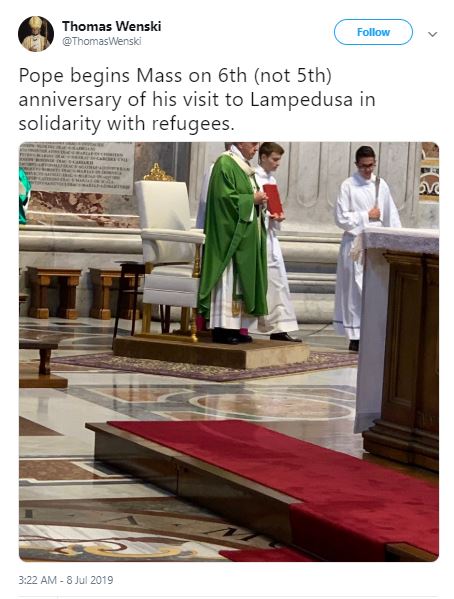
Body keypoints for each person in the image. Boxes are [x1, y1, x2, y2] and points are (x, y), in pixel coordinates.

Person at [197, 143, 268, 344]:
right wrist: (251, 199)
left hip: (244, 234)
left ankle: (235, 328)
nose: (257, 147)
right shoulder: (225, 164)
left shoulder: (243, 166)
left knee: (238, 283)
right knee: (227, 280)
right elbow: (222, 200)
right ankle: (222, 329)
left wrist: (260, 201)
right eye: (253, 143)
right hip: (228, 237)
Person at [333, 145, 401, 351]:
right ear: (356, 164)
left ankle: (374, 332)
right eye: (363, 167)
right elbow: (340, 217)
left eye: (370, 166)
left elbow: (391, 215)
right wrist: (366, 216)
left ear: (375, 163)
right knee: (355, 291)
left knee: (375, 289)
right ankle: (355, 336)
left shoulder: (381, 185)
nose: (367, 170)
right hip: (355, 244)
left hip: (376, 244)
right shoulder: (348, 186)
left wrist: (396, 240)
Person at [251, 142, 300, 342]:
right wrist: (267, 214)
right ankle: (270, 326)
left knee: (278, 281)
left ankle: (279, 327)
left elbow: (270, 207)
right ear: (262, 157)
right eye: (275, 159)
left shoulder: (271, 179)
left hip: (271, 235)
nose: (278, 164)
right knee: (270, 281)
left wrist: (276, 216)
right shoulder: (253, 176)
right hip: (259, 236)